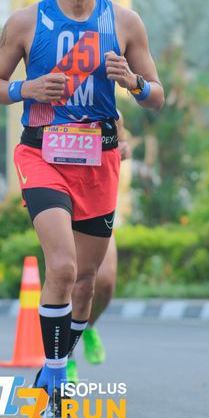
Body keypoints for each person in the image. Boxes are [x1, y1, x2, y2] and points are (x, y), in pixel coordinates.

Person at [0, 0, 164, 418]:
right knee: (61, 266)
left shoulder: (125, 23)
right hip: (42, 154)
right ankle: (57, 397)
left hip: (99, 160)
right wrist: (26, 89)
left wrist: (134, 83)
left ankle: (51, 368)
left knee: (88, 281)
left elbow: (157, 96)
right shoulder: (25, 23)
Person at [67, 114, 131, 383]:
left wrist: (120, 147)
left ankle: (87, 325)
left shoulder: (108, 110)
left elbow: (123, 145)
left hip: (98, 204)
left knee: (104, 283)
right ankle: (65, 358)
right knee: (67, 279)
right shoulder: (52, 104)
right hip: (62, 204)